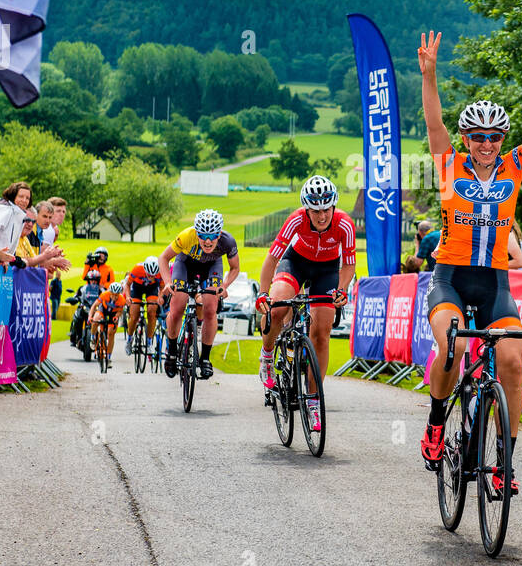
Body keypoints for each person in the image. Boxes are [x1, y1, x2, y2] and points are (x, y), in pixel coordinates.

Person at [416, 29, 522, 497]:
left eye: (494, 137)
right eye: (478, 137)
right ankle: (436, 420)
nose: (486, 144)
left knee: (510, 361)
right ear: (466, 139)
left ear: (501, 138)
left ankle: (503, 461)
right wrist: (429, 76)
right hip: (450, 278)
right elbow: (433, 124)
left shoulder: (513, 167)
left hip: (495, 282)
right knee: (453, 347)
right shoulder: (448, 165)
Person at [255, 177, 356, 430]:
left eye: (326, 209)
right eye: (315, 210)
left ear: (333, 206)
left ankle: (313, 401)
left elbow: (349, 264)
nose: (321, 216)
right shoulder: (296, 220)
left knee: (322, 333)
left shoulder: (344, 223)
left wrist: (341, 290)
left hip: (327, 270)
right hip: (296, 262)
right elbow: (272, 258)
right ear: (306, 209)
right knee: (278, 307)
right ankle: (267, 356)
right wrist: (263, 293)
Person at [160, 208, 240, 380]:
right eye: (203, 236)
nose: (208, 241)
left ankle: (205, 359)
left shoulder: (228, 241)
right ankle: (172, 352)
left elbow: (235, 268)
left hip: (212, 266)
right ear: (197, 234)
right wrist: (168, 282)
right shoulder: (186, 236)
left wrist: (224, 286)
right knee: (177, 308)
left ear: (220, 234)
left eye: (213, 236)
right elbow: (163, 258)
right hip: (185, 264)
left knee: (210, 309)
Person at [124, 256, 166, 356]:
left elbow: (162, 286)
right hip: (137, 288)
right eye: (149, 275)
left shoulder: (160, 272)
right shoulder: (137, 269)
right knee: (134, 316)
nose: (151, 277)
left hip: (151, 289)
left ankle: (149, 341)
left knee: (152, 312)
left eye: (153, 275)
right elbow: (127, 284)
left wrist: (160, 297)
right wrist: (128, 297)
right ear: (145, 269)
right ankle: (129, 340)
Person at [88, 281, 128, 365]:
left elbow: (120, 312)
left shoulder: (122, 300)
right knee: (96, 319)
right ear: (110, 292)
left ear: (119, 294)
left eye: (116, 295)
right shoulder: (104, 295)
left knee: (111, 333)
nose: (114, 296)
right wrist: (90, 317)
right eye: (113, 294)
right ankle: (92, 338)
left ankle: (109, 358)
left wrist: (116, 317)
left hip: (114, 313)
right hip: (103, 310)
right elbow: (94, 306)